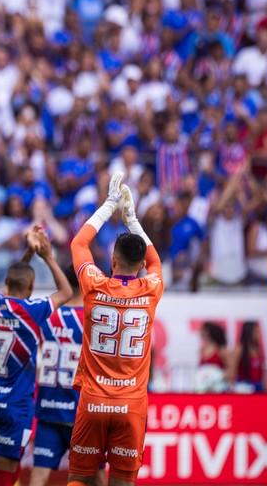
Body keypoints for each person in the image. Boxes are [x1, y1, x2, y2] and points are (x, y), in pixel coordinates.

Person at [67, 173, 164, 486]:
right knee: (122, 482)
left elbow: (79, 243)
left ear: (112, 259)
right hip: (131, 406)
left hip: (93, 400)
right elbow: (155, 262)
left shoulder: (94, 285)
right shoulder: (151, 288)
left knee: (79, 478)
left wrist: (109, 205)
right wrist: (132, 219)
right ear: (139, 265)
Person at [0, 225, 73, 486]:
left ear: (7, 284)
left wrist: (27, 255)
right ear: (32, 287)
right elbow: (66, 292)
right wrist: (46, 255)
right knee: (8, 466)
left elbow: (10, 282)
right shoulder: (34, 309)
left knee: (2, 464)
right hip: (16, 405)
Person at [29, 265, 105, 486]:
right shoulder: (93, 319)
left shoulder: (46, 316)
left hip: (48, 410)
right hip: (82, 414)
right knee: (96, 476)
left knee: (38, 477)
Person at [229, 321, 267, 393]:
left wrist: (265, 388)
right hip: (243, 388)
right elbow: (232, 372)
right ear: (249, 332)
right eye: (256, 332)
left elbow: (262, 373)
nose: (259, 335)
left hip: (258, 387)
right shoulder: (239, 349)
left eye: (259, 332)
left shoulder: (258, 350)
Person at [195, 322, 230, 393]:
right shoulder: (202, 349)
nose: (200, 332)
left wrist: (217, 377)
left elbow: (230, 371)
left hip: (218, 388)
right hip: (204, 388)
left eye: (203, 330)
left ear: (209, 332)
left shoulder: (221, 350)